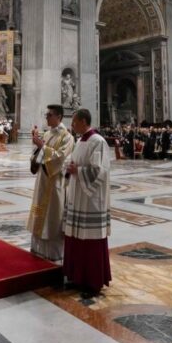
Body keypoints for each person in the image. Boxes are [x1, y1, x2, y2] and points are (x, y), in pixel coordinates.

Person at [62, 109, 111, 299]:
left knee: (90, 240)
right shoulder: (81, 140)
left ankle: (93, 280)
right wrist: (70, 168)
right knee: (76, 237)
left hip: (91, 200)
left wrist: (78, 171)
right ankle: (77, 276)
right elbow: (74, 162)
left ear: (83, 121)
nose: (72, 126)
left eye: (74, 122)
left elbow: (100, 171)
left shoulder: (98, 141)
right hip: (77, 195)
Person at [28, 105, 75, 261]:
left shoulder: (67, 137)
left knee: (52, 217)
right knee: (40, 213)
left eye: (49, 114)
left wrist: (41, 146)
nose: (46, 117)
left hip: (55, 183)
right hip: (42, 180)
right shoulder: (47, 134)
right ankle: (38, 248)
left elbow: (61, 159)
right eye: (46, 114)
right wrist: (36, 154)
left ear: (59, 117)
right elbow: (41, 154)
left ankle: (53, 253)